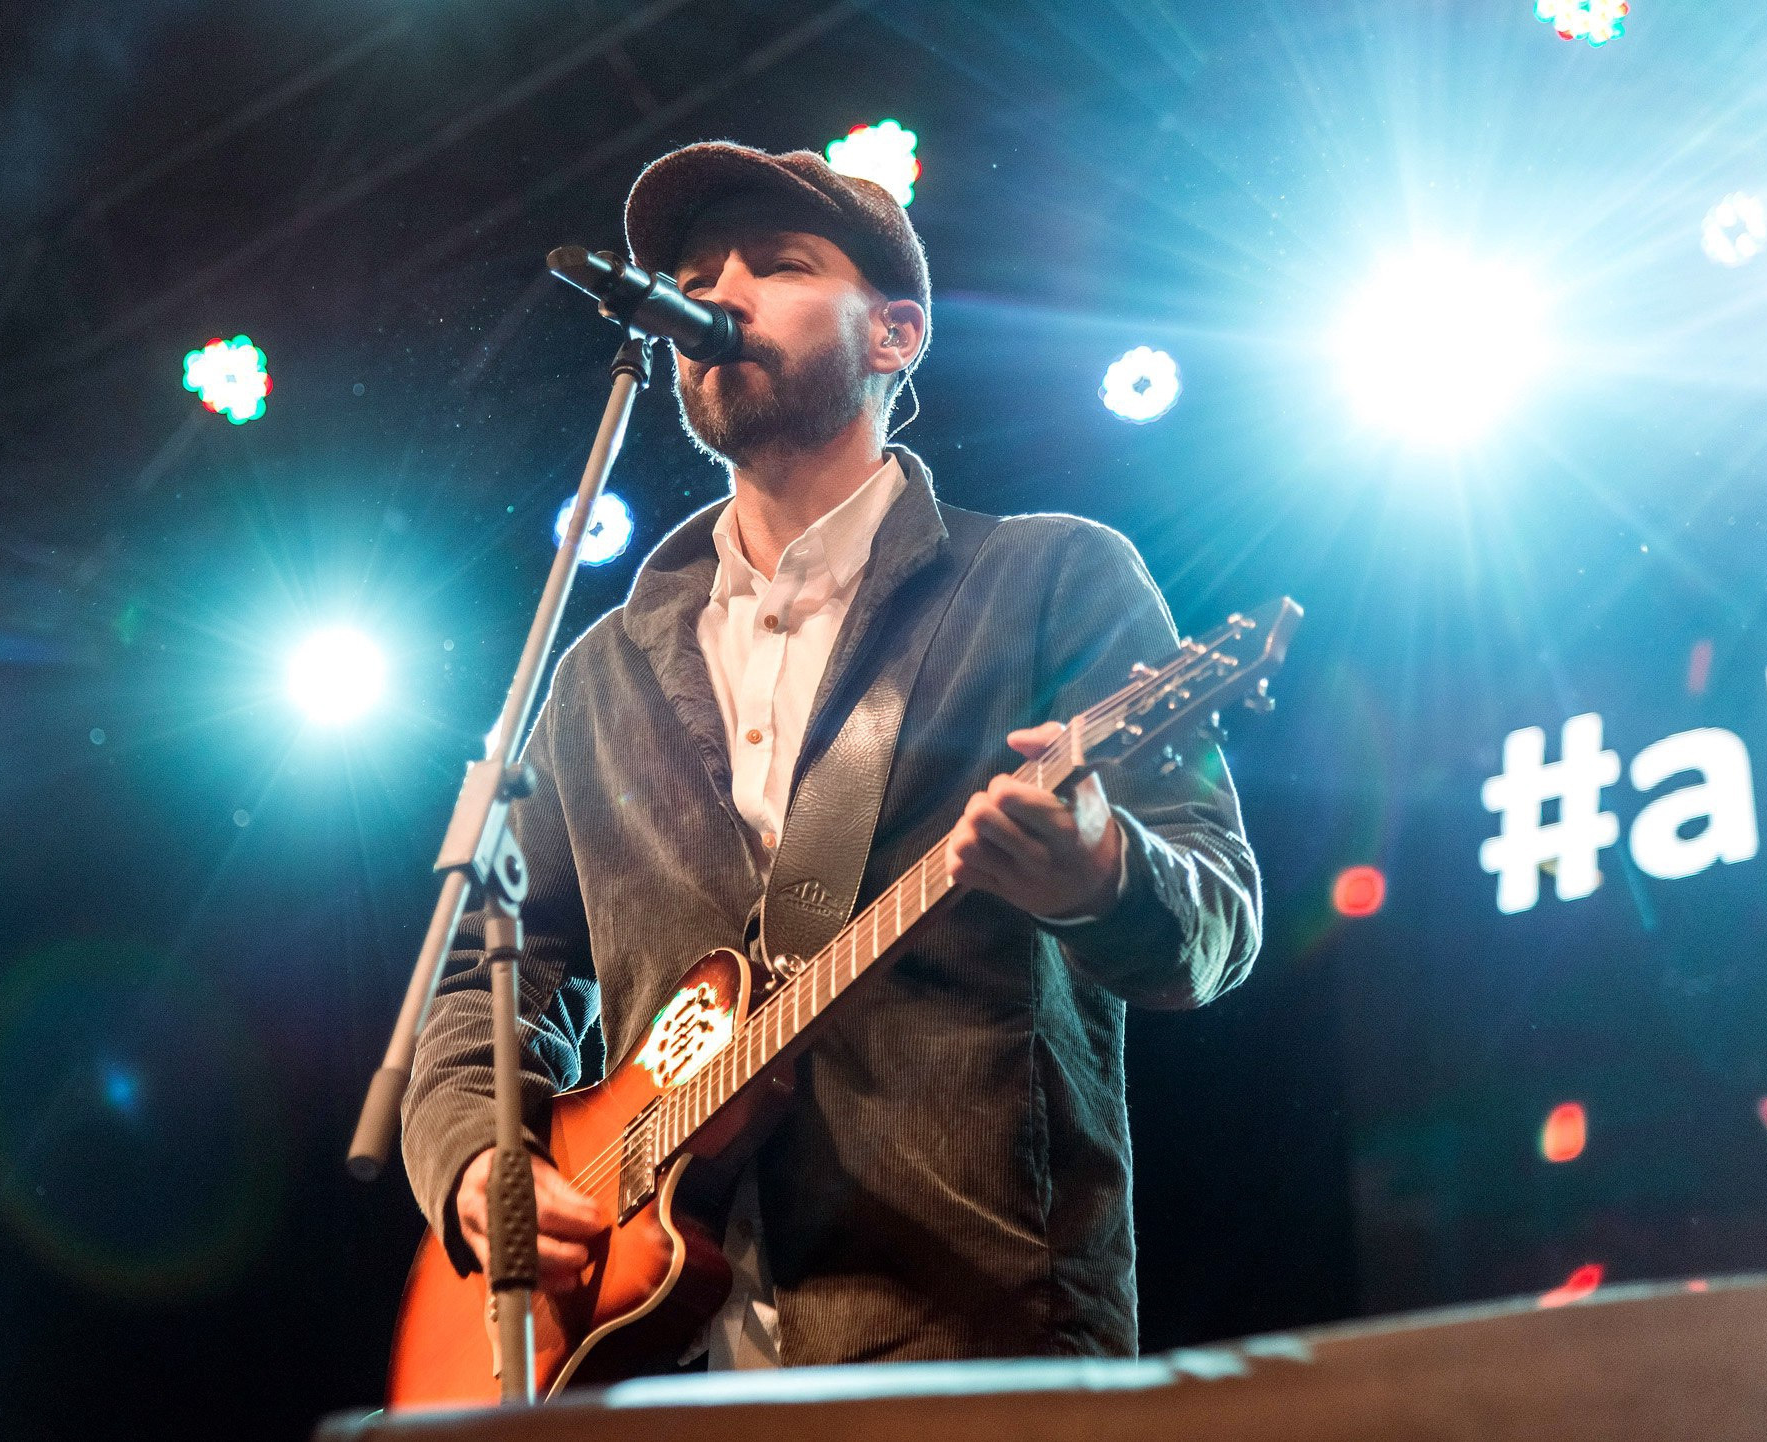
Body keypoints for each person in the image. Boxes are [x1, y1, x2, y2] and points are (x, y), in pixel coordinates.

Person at [400, 141, 1261, 1370]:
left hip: (984, 1344)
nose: (721, 290)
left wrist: (1099, 869)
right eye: (698, 270)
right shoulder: (598, 672)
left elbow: (1220, 918)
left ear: (895, 332)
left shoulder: (1048, 577)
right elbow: (492, 974)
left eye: (781, 262)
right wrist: (480, 1161)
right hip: (673, 1358)